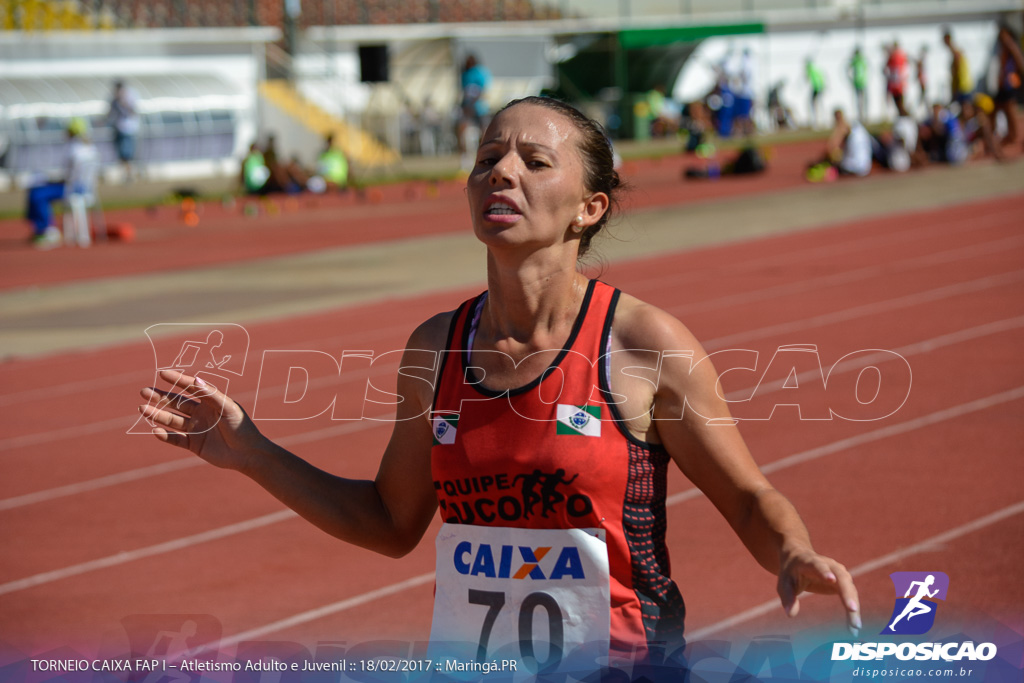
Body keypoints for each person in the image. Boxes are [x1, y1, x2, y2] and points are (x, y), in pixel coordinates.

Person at [139, 96, 861, 674]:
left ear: (590, 207)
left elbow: (747, 495)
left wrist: (794, 550)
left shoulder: (642, 344)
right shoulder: (437, 347)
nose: (501, 171)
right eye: (488, 157)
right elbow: (392, 524)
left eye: (534, 160)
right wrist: (254, 450)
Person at [24, 117, 100, 248]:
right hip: (87, 189)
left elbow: (69, 176)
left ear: (71, 132)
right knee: (37, 191)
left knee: (37, 194)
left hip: (71, 189)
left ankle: (47, 229)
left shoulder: (73, 149)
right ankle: (42, 228)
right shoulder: (91, 149)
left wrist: (52, 179)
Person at [806, 108, 872, 181]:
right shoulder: (856, 125)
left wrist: (820, 160)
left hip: (853, 166)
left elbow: (831, 146)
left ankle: (829, 171)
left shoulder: (843, 127)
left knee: (833, 159)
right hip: (866, 166)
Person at [457, 54, 491, 170]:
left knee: (485, 133)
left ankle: (485, 156)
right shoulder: (464, 74)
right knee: (463, 130)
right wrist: (465, 105)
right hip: (467, 108)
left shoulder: (480, 72)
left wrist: (473, 103)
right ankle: (465, 159)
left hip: (480, 108)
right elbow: (464, 92)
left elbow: (483, 89)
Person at [993, 23, 1024, 148]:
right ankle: (1011, 135)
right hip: (1005, 85)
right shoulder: (1003, 49)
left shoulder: (1011, 45)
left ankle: (1015, 136)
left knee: (1011, 110)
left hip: (1011, 83)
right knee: (1004, 108)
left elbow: (1020, 62)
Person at [107, 80, 140, 181]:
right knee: (121, 155)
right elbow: (110, 114)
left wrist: (123, 102)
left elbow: (134, 112)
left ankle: (129, 175)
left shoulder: (130, 96)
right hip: (118, 129)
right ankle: (126, 175)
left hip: (128, 130)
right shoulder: (114, 100)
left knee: (127, 155)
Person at [942, 28, 974, 106]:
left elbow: (956, 70)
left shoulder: (956, 53)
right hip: (963, 87)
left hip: (962, 87)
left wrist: (955, 90)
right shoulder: (957, 52)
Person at [884, 40, 909, 118]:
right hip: (895, 84)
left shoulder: (900, 56)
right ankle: (901, 115)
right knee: (897, 102)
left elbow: (905, 69)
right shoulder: (893, 56)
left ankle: (903, 116)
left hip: (898, 84)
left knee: (900, 102)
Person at [848, 47, 868, 121]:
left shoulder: (854, 60)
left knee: (859, 99)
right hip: (862, 81)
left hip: (857, 82)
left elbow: (848, 70)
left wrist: (851, 79)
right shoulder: (862, 59)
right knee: (863, 99)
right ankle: (863, 115)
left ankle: (861, 115)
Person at [805, 57, 826, 129]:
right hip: (820, 87)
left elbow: (807, 78)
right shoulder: (816, 69)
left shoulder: (810, 69)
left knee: (814, 104)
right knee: (817, 103)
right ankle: (819, 120)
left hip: (816, 88)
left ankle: (817, 121)